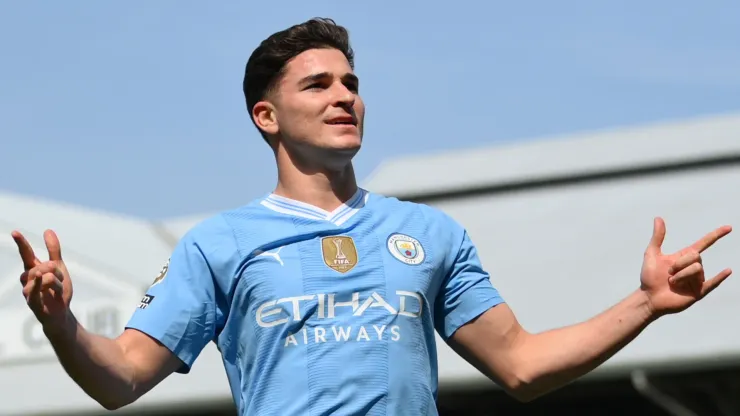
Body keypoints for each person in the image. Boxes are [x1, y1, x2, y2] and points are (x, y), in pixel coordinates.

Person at [12, 17, 733, 416]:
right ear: (267, 116)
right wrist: (62, 323)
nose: (345, 96)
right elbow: (120, 380)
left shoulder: (431, 234)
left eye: (352, 83)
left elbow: (522, 366)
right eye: (318, 84)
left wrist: (645, 304)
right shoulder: (220, 243)